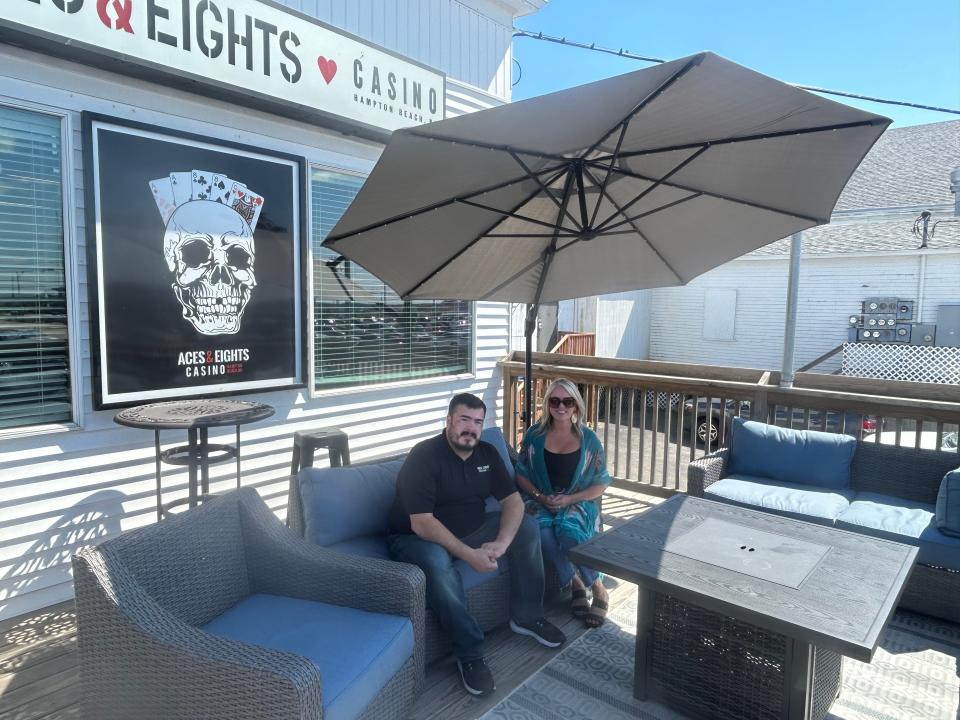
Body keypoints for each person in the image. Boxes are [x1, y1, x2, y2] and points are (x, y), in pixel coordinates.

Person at [387, 392, 566, 698]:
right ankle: (470, 655)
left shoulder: (486, 454)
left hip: (472, 527)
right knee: (438, 565)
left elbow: (512, 502)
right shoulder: (424, 456)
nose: (470, 428)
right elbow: (422, 523)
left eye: (477, 422)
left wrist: (501, 542)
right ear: (448, 422)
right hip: (415, 537)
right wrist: (470, 555)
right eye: (464, 420)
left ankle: (527, 616)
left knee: (527, 526)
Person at [515, 378, 611, 628]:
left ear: (576, 406)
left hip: (577, 499)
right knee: (540, 531)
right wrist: (540, 497)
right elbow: (521, 473)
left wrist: (570, 498)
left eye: (567, 401)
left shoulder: (588, 439)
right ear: (547, 404)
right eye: (554, 401)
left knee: (569, 532)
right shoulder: (534, 436)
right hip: (541, 498)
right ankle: (575, 583)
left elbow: (601, 482)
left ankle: (598, 588)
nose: (561, 407)